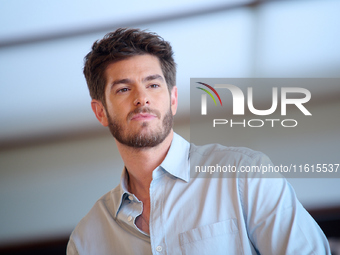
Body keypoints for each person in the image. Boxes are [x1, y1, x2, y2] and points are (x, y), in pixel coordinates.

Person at [67, 28, 331, 254]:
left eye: (153, 85)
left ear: (173, 99)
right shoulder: (86, 240)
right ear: (100, 111)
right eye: (124, 89)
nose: (141, 98)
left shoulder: (245, 174)